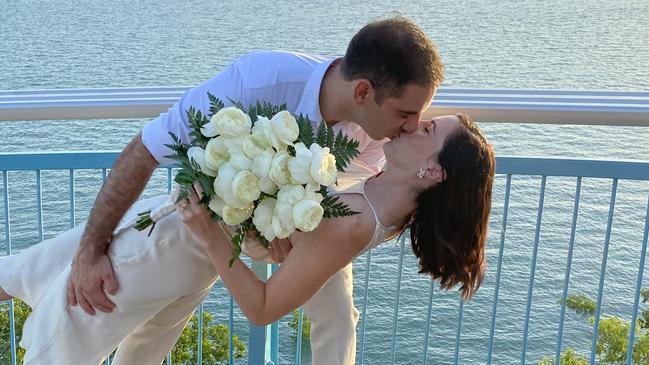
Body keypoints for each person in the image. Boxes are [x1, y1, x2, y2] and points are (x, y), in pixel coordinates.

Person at [53, 15, 442, 365]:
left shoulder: (379, 130)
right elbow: (146, 149)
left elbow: (349, 203)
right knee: (168, 305)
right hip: (219, 215)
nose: (413, 125)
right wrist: (91, 249)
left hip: (306, 221)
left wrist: (291, 235)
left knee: (338, 315)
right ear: (362, 93)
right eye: (406, 113)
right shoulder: (262, 79)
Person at [0, 114, 495, 364]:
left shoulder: (353, 221)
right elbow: (318, 269)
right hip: (172, 232)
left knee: (64, 327)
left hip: (175, 247)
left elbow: (263, 308)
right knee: (26, 268)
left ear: (433, 170)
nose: (412, 122)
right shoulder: (379, 193)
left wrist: (209, 231)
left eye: (428, 127)